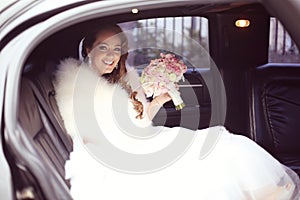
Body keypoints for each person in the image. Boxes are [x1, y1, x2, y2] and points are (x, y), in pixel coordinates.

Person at [53, 24, 300, 200]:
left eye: (117, 49)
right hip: (115, 156)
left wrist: (158, 99)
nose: (111, 56)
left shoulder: (125, 78)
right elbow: (89, 138)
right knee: (208, 162)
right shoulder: (77, 87)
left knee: (225, 144)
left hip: (141, 140)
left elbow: (140, 122)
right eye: (103, 48)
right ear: (88, 50)